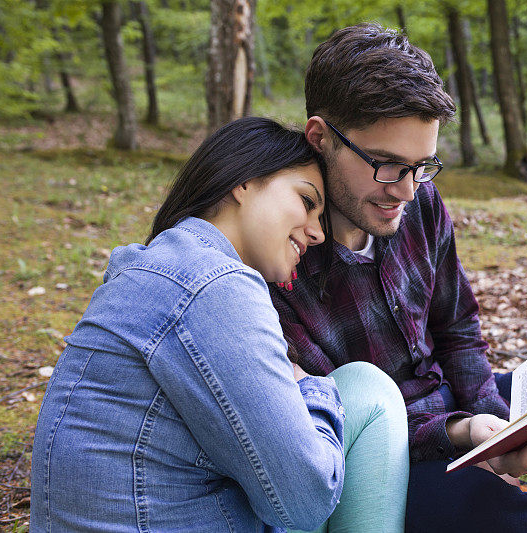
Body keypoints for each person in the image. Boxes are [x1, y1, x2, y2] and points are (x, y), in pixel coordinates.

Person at [270, 24, 527, 532]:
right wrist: (463, 435)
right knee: (496, 510)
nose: (404, 190)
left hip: (462, 417)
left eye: (422, 166)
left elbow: (458, 327)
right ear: (320, 137)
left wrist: (498, 429)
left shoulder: (419, 204)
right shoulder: (278, 253)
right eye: (387, 165)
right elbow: (332, 418)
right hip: (385, 459)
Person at [30, 117, 409, 533]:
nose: (318, 233)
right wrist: (310, 388)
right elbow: (308, 498)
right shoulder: (213, 284)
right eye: (306, 201)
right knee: (368, 392)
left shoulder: (156, 268)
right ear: (243, 183)